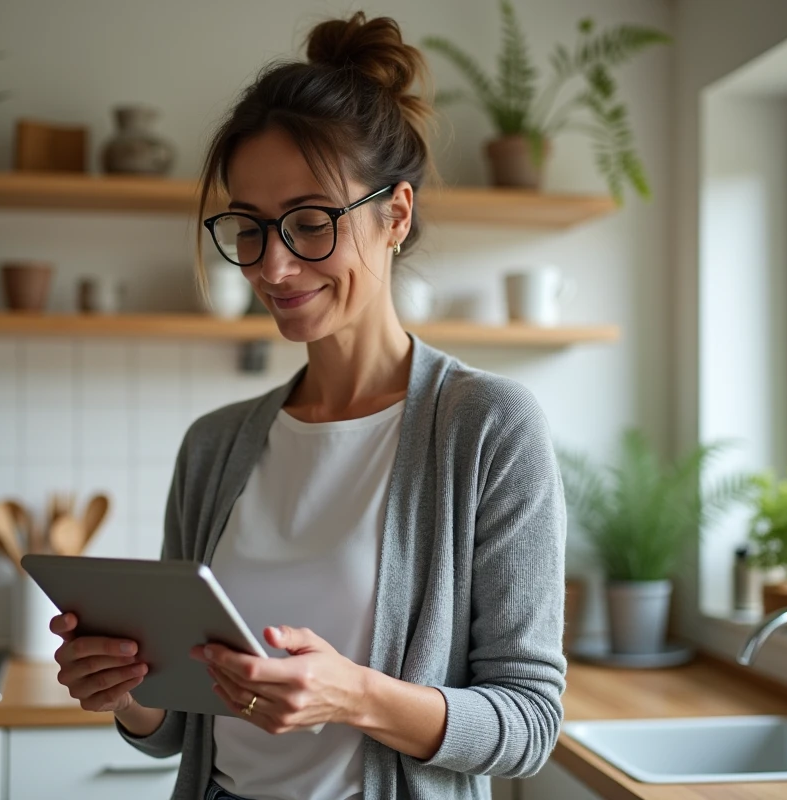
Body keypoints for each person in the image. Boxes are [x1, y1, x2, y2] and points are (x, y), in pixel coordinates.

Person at [50, 12, 566, 800]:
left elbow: (528, 724)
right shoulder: (214, 446)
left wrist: (353, 695)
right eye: (249, 228)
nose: (274, 264)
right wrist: (124, 690)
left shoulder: (486, 427)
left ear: (395, 215)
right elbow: (176, 730)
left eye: (310, 221)